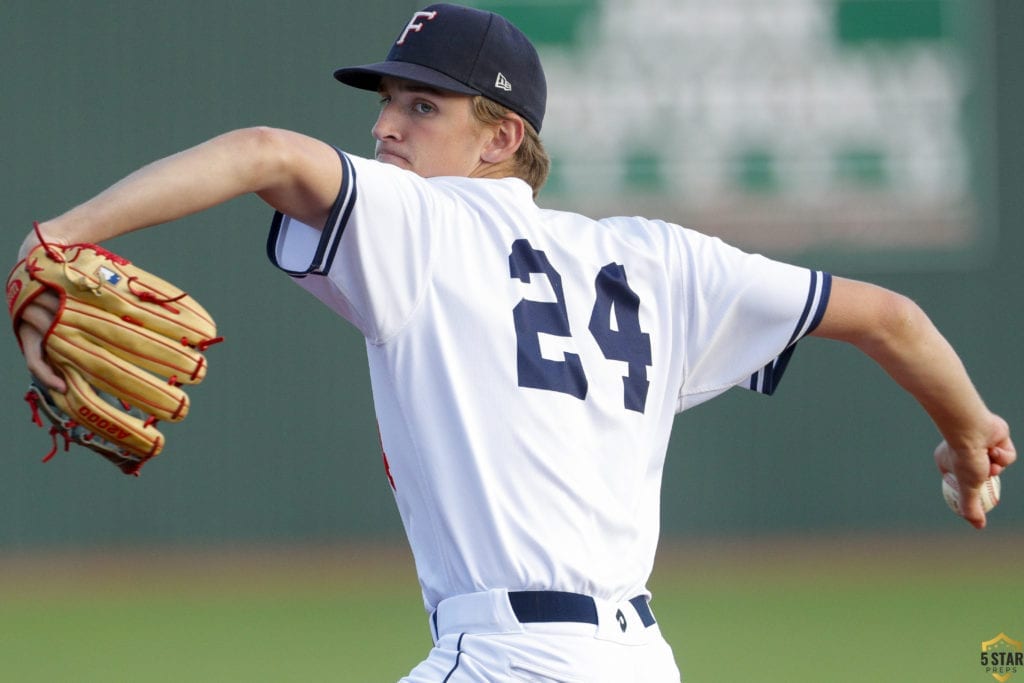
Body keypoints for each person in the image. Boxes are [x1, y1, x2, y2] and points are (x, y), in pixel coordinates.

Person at [13, 4, 1015, 681]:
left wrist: (61, 233)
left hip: (508, 657)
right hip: (640, 659)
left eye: (421, 105)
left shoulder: (424, 222)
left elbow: (264, 153)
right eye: (385, 103)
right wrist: (968, 433)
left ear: (499, 140)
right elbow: (891, 318)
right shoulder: (661, 257)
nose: (388, 129)